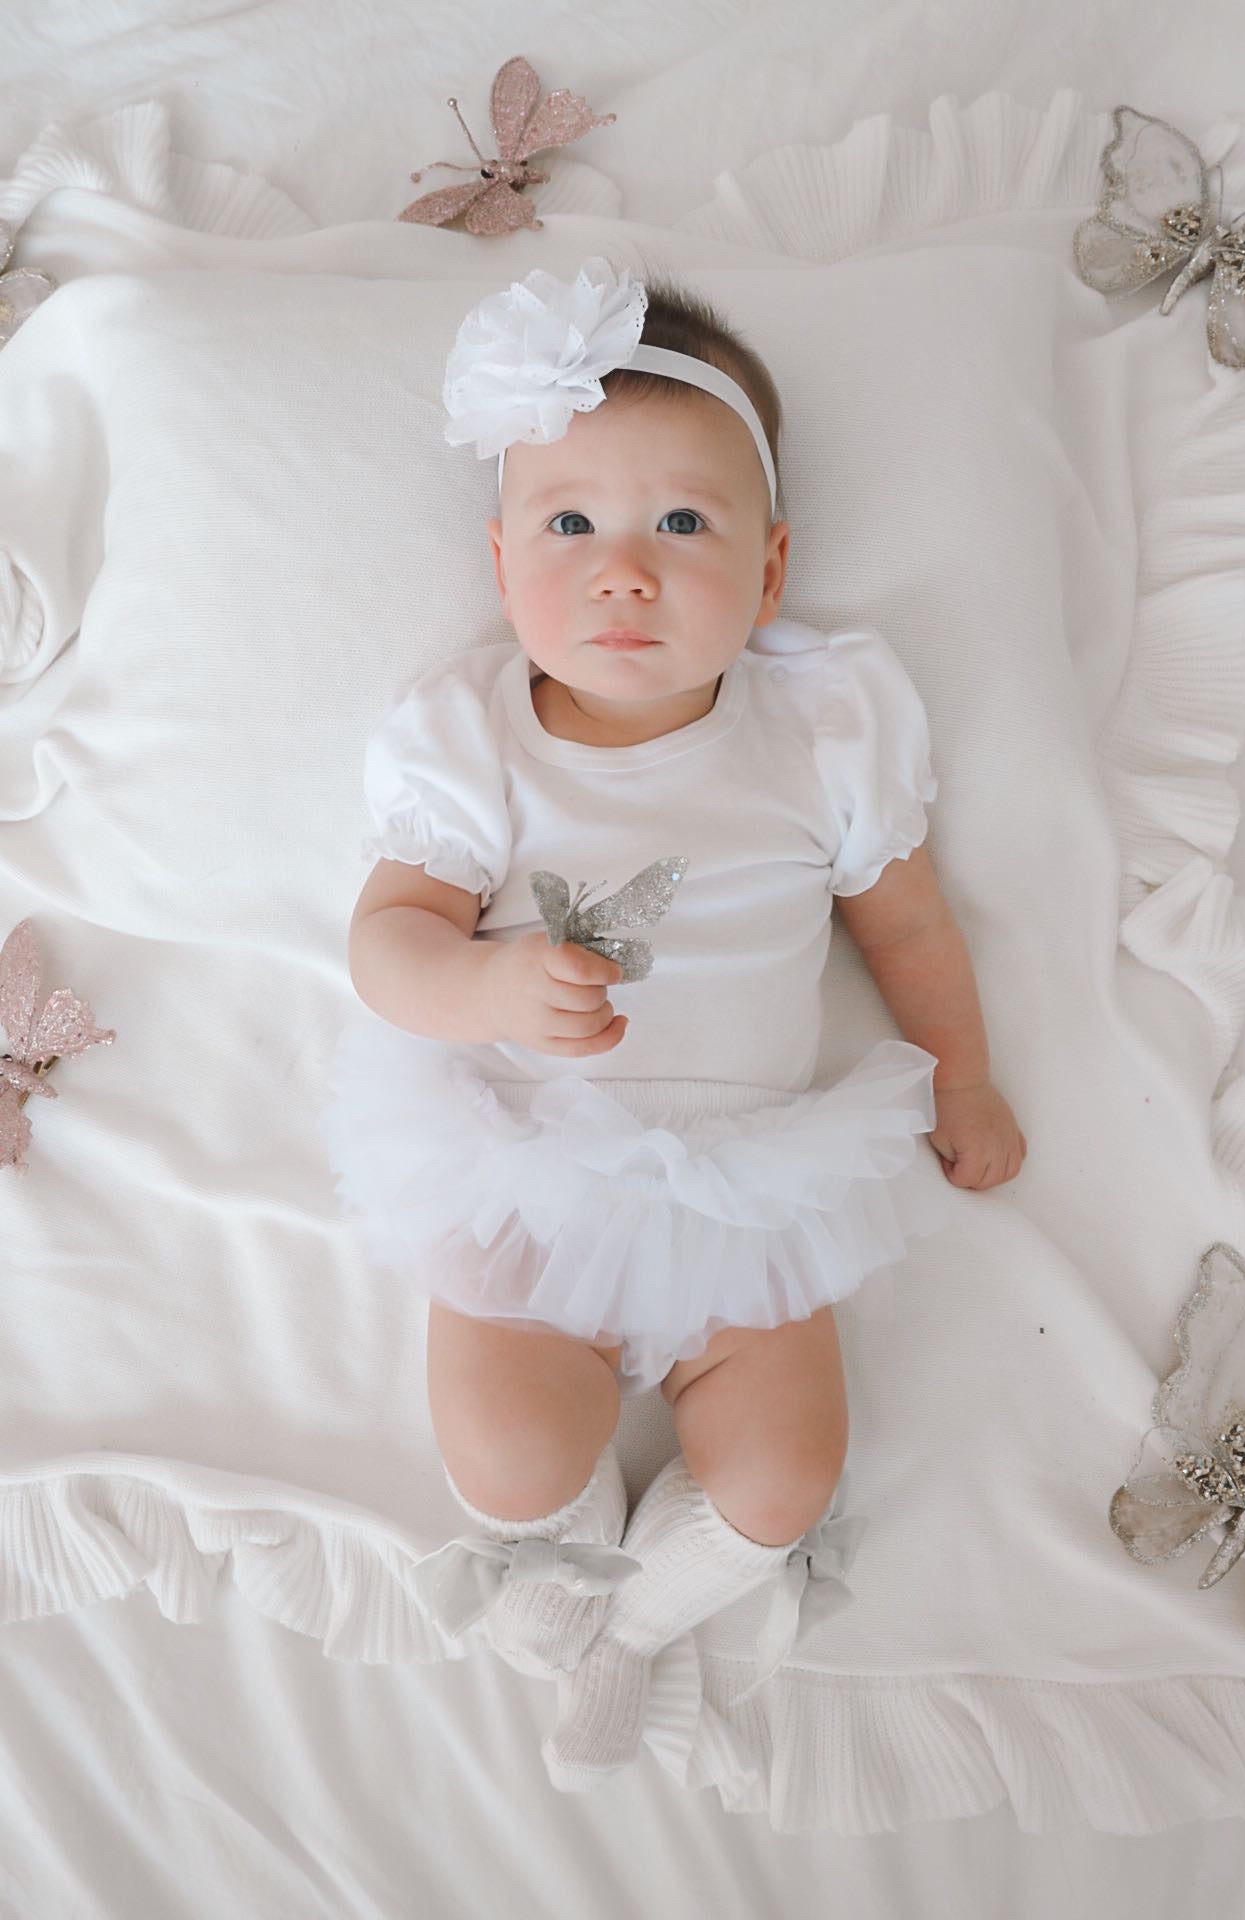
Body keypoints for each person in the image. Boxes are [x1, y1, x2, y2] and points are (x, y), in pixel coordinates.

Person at [323, 256, 1027, 1792]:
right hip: (529, 1158)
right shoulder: (476, 739)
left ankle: (640, 1621)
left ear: (771, 572)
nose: (624, 571)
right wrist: (482, 986)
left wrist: (964, 1074)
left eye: (682, 526)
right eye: (570, 524)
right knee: (509, 1449)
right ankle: (563, 1561)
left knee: (784, 1480)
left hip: (752, 1181)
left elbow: (904, 927)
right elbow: (385, 945)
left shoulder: (822, 729)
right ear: (504, 562)